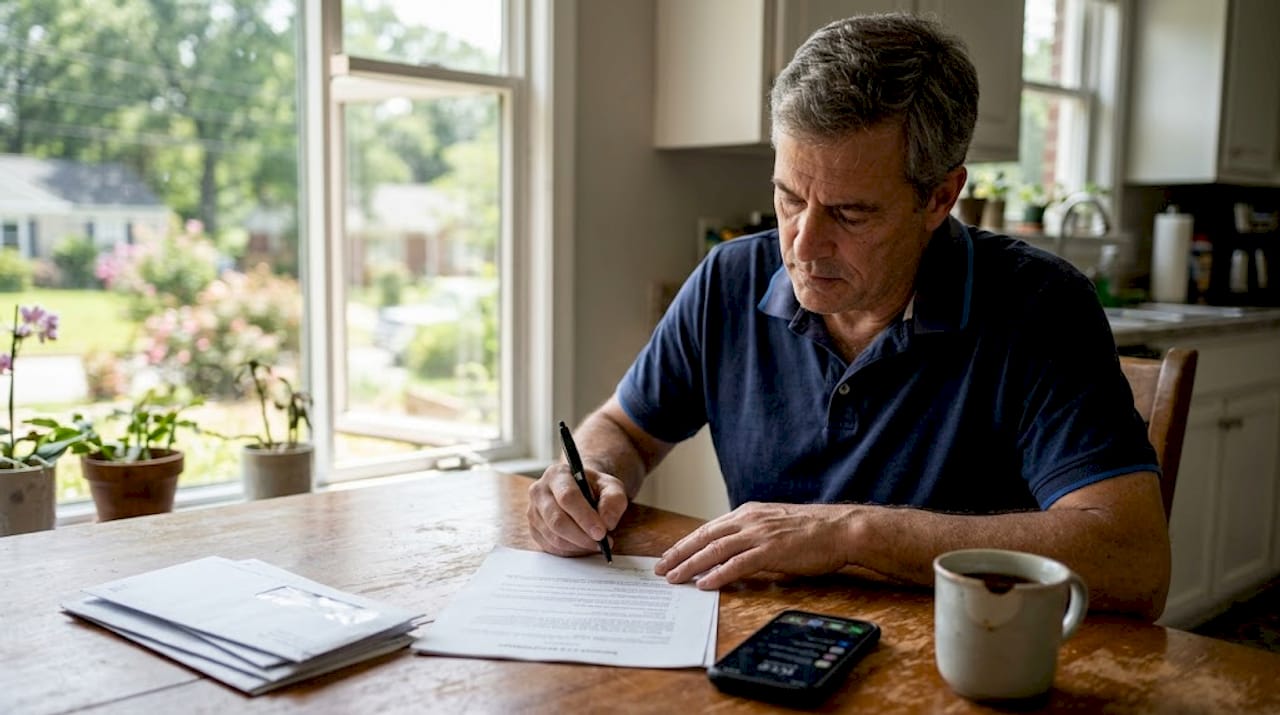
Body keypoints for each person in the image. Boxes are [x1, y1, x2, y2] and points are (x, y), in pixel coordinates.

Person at [527, 13, 1170, 620]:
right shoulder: (729, 279)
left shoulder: (1041, 305)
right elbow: (626, 430)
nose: (802, 247)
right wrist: (588, 472)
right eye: (788, 198)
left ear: (940, 196)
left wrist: (853, 531)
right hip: (772, 641)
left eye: (851, 214)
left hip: (967, 657)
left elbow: (1134, 561)